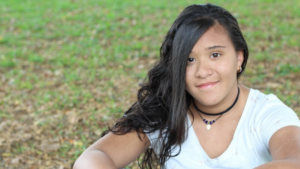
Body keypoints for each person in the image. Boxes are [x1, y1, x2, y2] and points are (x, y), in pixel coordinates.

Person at [73, 3, 300, 169]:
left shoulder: (267, 113)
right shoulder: (165, 111)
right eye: (189, 60)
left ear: (239, 58)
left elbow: (295, 161)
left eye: (216, 54)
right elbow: (93, 158)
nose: (202, 71)